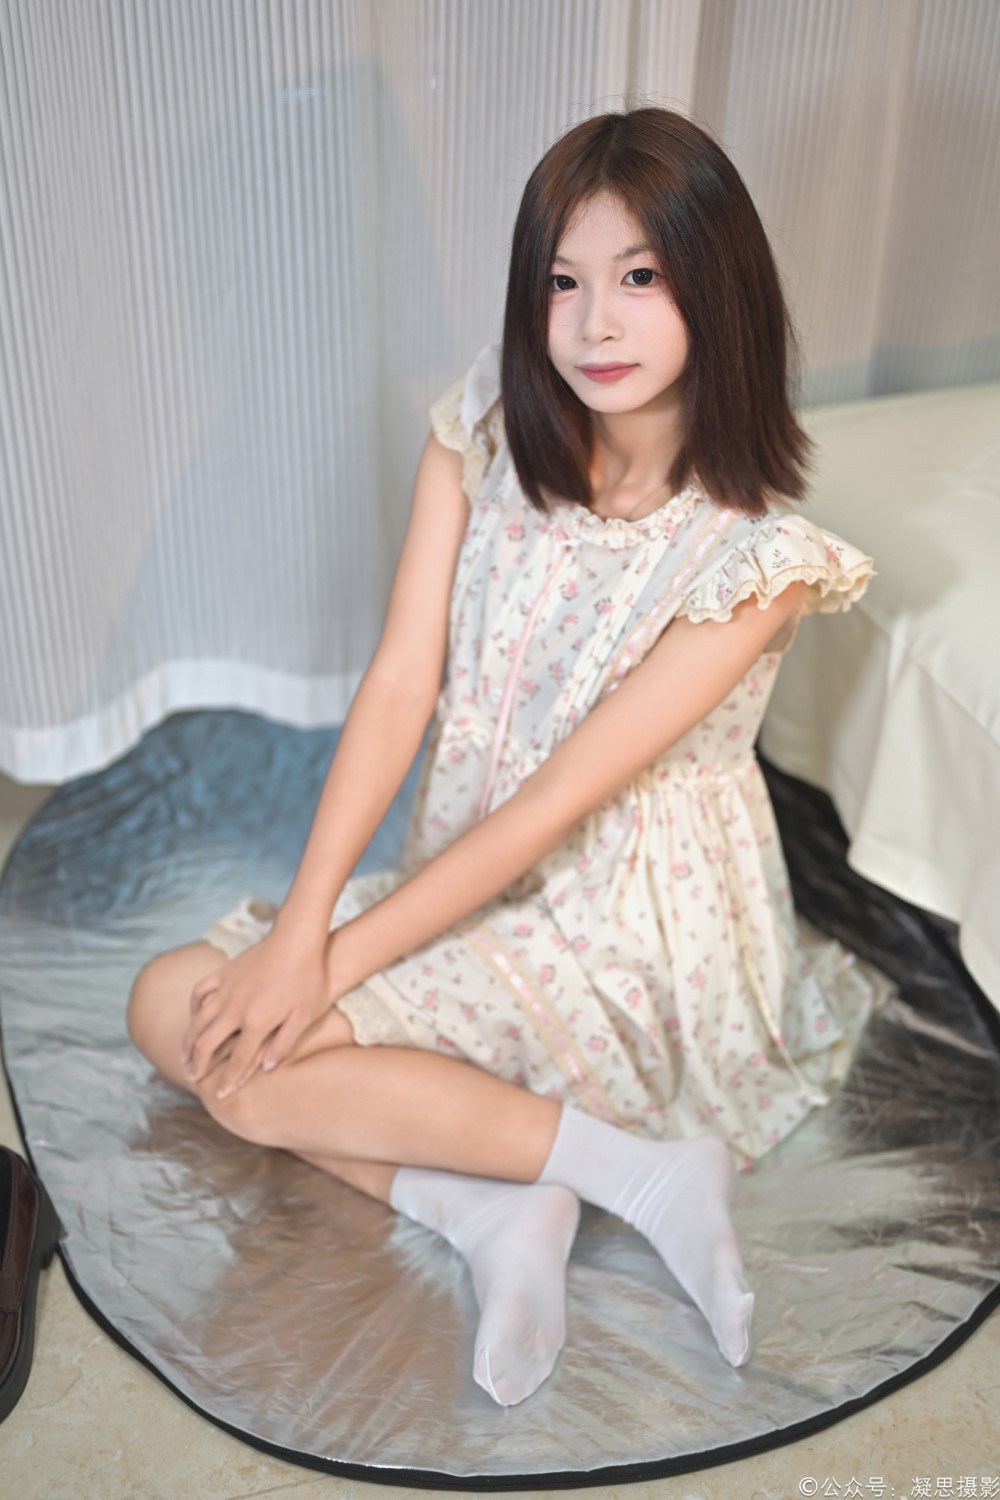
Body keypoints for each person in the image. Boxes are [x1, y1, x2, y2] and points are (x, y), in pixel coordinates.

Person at [127, 106, 896, 1408]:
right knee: (172, 1002)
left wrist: (326, 965)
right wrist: (304, 925)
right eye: (561, 281)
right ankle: (497, 1206)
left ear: (718, 286)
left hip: (620, 922)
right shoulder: (483, 429)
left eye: (640, 277)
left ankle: (628, 1174)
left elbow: (550, 809)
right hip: (461, 874)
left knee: (251, 1079)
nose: (594, 324)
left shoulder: (751, 559)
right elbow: (400, 684)